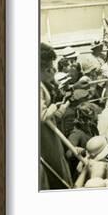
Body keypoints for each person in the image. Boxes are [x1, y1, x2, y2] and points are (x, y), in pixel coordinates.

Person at [40, 43, 73, 190]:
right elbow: (42, 115)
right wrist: (53, 106)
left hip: (48, 130)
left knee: (58, 161)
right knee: (55, 163)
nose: (51, 69)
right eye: (48, 66)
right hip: (44, 134)